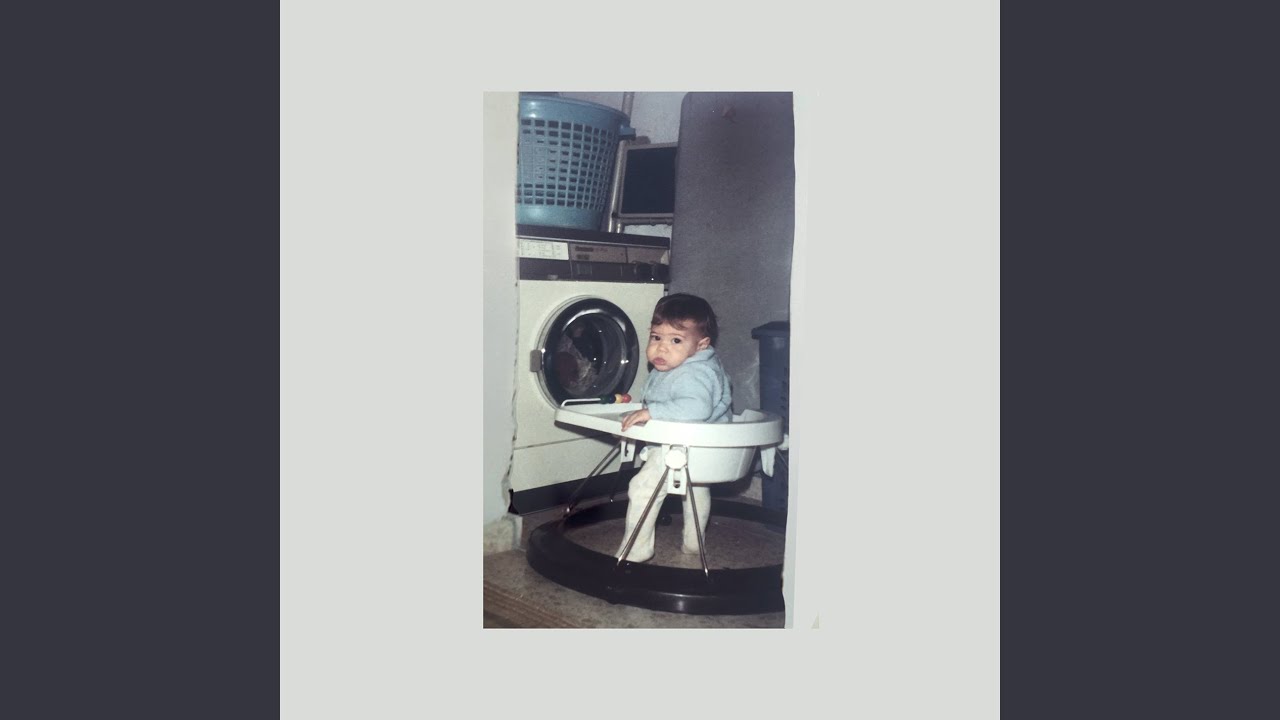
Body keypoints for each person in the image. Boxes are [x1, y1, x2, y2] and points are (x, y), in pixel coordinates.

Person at [617, 293, 732, 563]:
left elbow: (696, 408)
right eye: (656, 337)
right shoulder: (686, 365)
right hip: (704, 449)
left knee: (643, 488)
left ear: (701, 345)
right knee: (696, 488)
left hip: (684, 445)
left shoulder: (693, 373)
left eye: (676, 340)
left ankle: (637, 549)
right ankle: (694, 542)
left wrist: (652, 412)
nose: (662, 348)